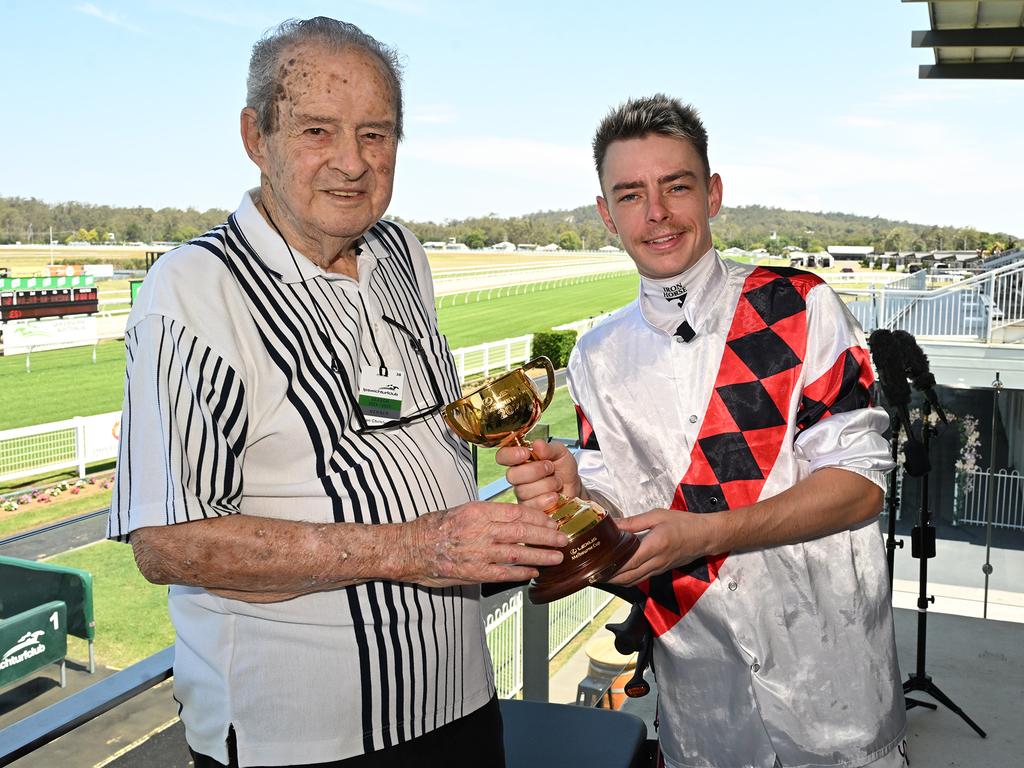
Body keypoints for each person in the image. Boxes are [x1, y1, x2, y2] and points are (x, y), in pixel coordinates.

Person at [108, 17, 567, 768]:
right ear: (257, 137)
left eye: (376, 135)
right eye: (318, 130)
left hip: (461, 706)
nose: (351, 163)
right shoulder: (193, 290)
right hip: (302, 742)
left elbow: (411, 434)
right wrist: (412, 548)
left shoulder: (400, 252)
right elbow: (167, 542)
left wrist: (523, 484)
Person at [498, 94, 908, 768]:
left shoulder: (800, 305)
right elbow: (614, 510)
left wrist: (710, 533)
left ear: (712, 194)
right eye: (631, 195)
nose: (655, 213)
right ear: (606, 214)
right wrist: (578, 497)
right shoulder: (594, 355)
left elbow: (860, 486)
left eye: (676, 186)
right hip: (705, 710)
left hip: (837, 692)